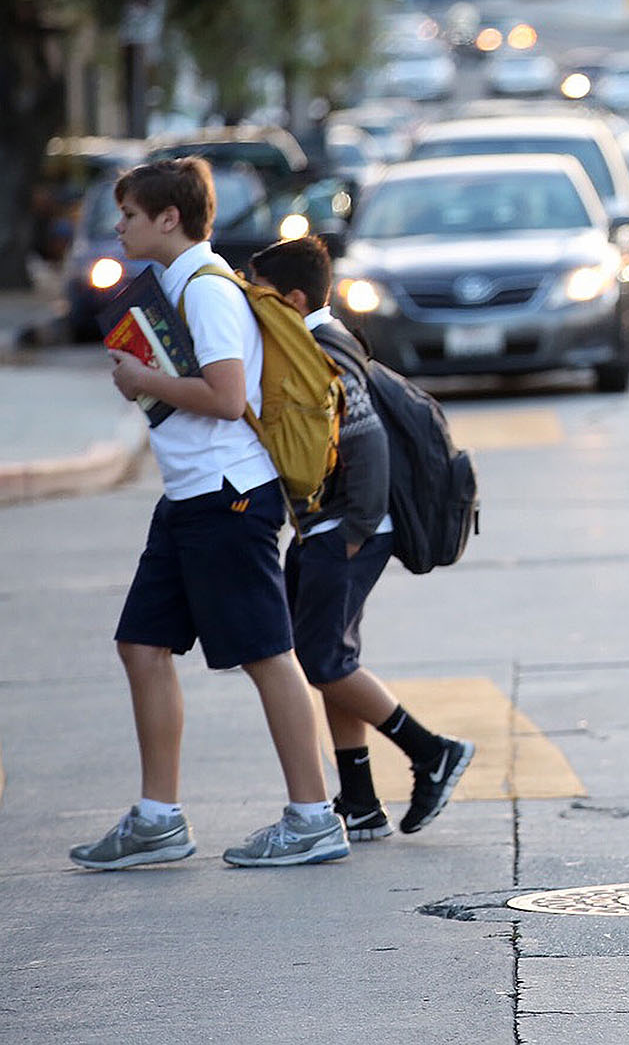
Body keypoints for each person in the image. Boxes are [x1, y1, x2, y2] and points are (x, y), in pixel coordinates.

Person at [70, 158, 348, 870]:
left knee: (267, 654)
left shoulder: (206, 288)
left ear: (169, 218)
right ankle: (158, 817)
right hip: (190, 496)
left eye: (129, 214)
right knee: (142, 644)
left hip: (230, 496)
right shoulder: (174, 285)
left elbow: (227, 397)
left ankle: (315, 816)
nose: (119, 226)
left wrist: (144, 379)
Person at [247, 236, 476, 841]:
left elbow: (367, 444)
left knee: (322, 660)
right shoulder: (318, 342)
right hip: (330, 529)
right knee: (329, 658)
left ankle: (432, 752)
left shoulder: (324, 350)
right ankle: (361, 800)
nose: (254, 307)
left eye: (262, 296)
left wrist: (349, 533)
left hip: (347, 529)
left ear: (294, 299)